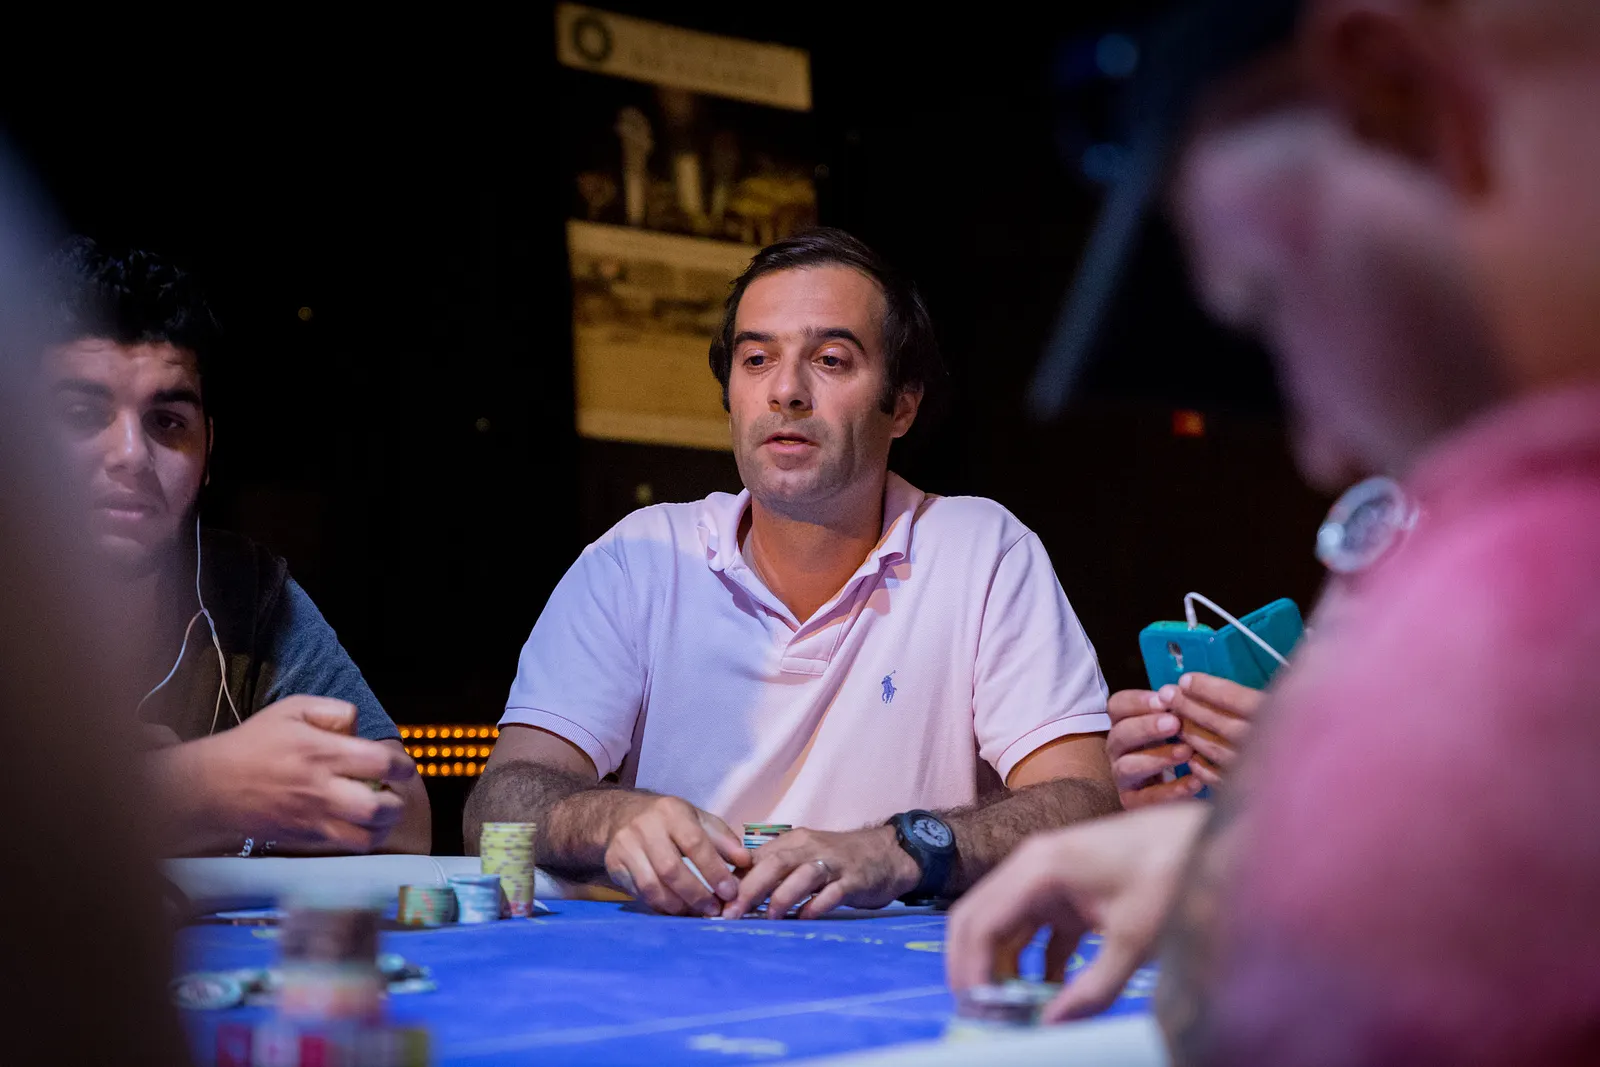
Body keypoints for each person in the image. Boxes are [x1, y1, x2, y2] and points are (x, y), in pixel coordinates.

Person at [948, 0, 1600, 1062]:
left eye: (1272, 305)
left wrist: (1258, 874)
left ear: (1393, 85)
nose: (1320, 451)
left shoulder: (1525, 604)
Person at [468, 228, 1119, 919]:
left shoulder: (983, 551)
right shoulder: (638, 556)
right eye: (756, 359)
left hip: (901, 969)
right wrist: (611, 818)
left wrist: (901, 849)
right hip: (670, 961)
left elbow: (1085, 803)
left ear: (902, 405)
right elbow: (496, 804)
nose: (786, 391)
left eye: (831, 360)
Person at [37, 238, 431, 856]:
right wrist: (201, 787)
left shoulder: (244, 590)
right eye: (83, 414)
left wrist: (213, 802)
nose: (132, 455)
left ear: (208, 449)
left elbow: (404, 816)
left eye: (167, 422)